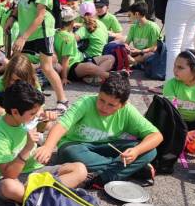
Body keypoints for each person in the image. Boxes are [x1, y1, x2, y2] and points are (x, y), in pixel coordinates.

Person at [35, 73, 163, 186]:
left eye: (111, 105)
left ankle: (102, 177)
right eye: (101, 100)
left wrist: (136, 151)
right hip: (77, 145)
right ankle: (128, 170)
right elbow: (62, 125)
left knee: (150, 151)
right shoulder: (86, 102)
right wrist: (48, 146)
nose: (104, 107)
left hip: (108, 148)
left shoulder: (127, 111)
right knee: (69, 153)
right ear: (98, 93)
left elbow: (156, 135)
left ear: (122, 105)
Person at [0, 82, 87, 203]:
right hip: (11, 177)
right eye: (32, 113)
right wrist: (28, 147)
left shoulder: (24, 119)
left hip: (35, 172)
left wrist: (45, 121)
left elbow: (37, 128)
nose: (37, 115)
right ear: (14, 112)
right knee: (10, 187)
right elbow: (9, 174)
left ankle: (38, 198)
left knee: (80, 169)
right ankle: (49, 196)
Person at [14, 0, 69, 112]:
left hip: (42, 31)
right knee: (19, 64)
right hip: (26, 29)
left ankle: (63, 100)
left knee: (46, 67)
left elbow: (40, 16)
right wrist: (11, 17)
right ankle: (27, 95)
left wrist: (23, 37)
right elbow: (21, 2)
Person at [163, 50, 195, 131]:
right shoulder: (171, 84)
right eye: (175, 66)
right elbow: (173, 112)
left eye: (180, 67)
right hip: (176, 122)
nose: (175, 70)